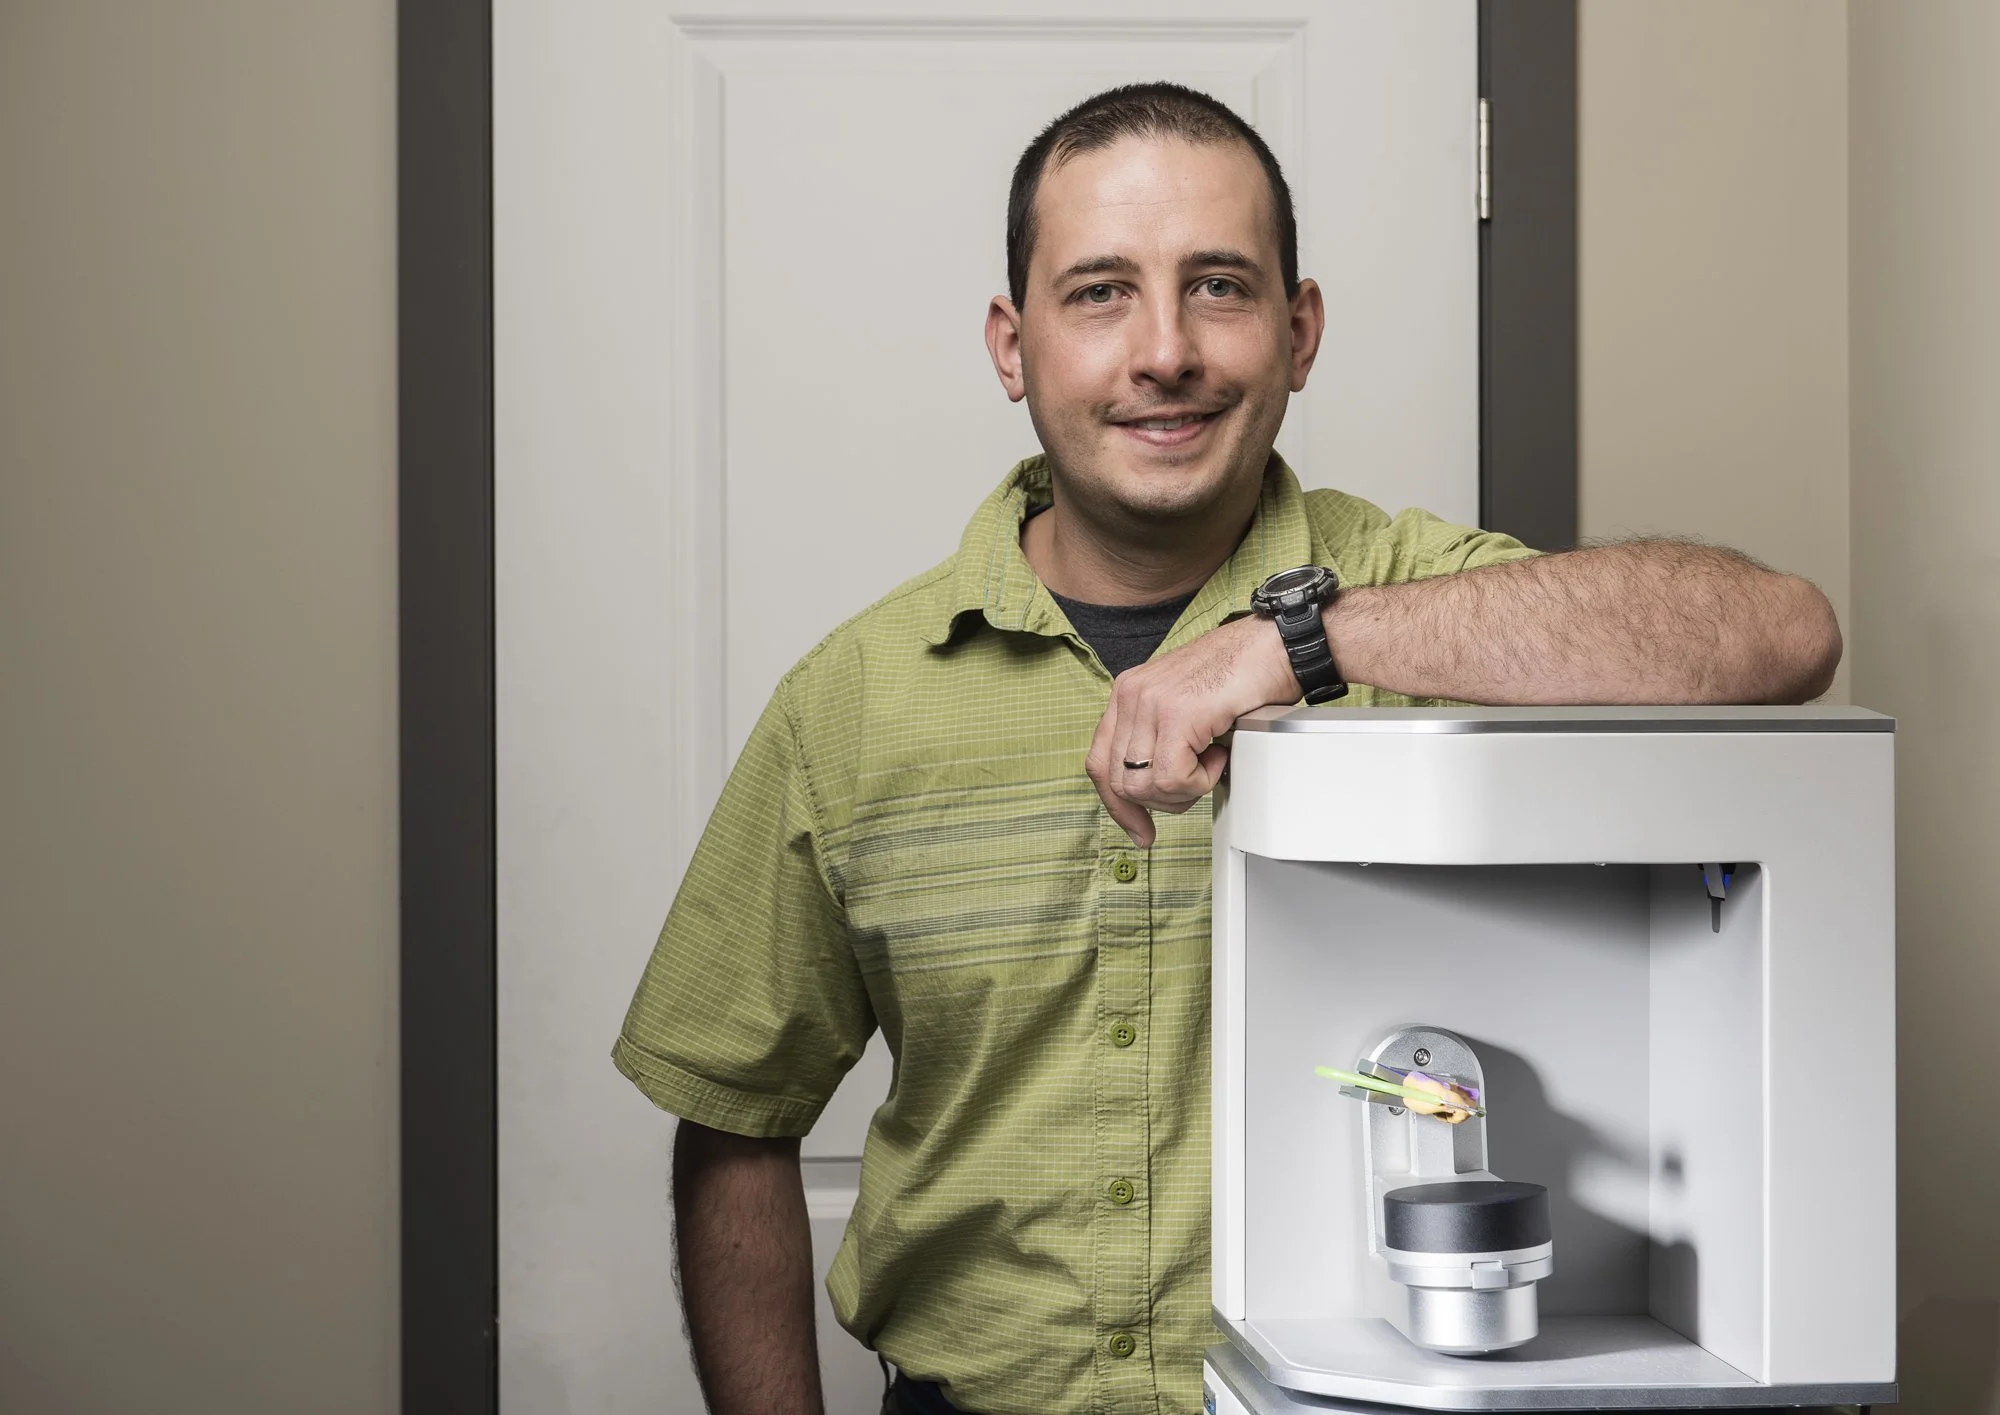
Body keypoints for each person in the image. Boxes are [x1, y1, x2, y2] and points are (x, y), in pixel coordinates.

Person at [611, 83, 1839, 1415]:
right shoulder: (846, 706)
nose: (1165, 352)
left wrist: (1304, 645)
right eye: (1099, 294)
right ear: (1010, 346)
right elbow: (736, 1119)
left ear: (1299, 332)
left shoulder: (1418, 601)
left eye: (1218, 286)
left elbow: (1781, 632)